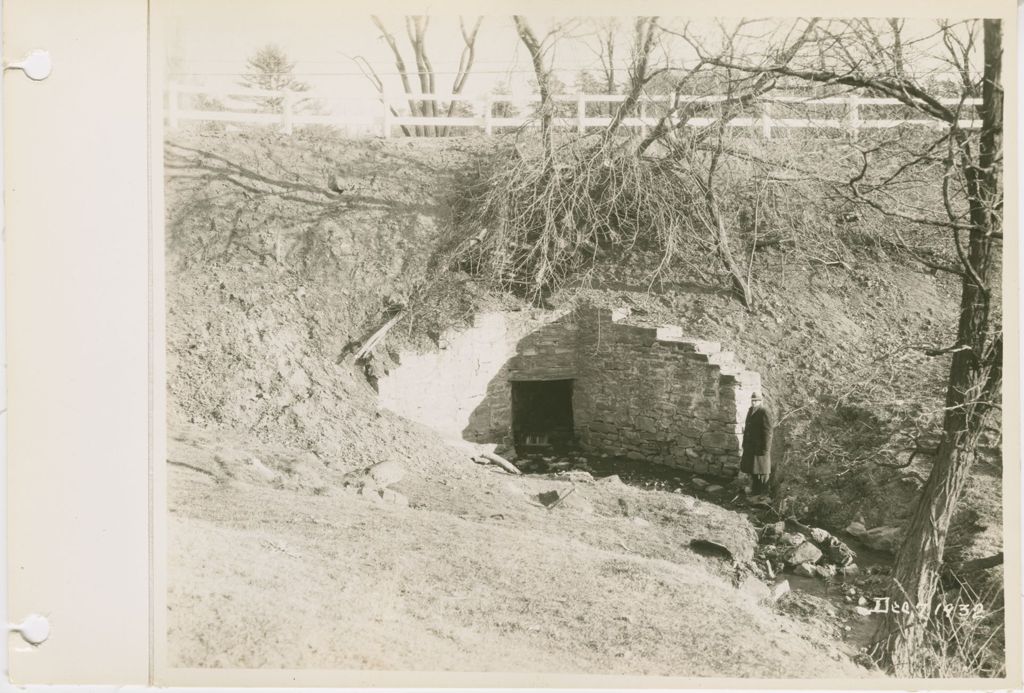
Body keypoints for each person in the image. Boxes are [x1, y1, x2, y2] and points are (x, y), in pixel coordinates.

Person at [740, 392, 773, 497]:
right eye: (753, 400)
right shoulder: (750, 411)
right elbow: (747, 428)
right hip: (751, 447)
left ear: (760, 401)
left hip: (760, 447)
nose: (754, 402)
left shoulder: (764, 412)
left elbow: (768, 432)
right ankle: (755, 491)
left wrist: (766, 449)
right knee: (753, 470)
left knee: (762, 471)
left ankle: (763, 493)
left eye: (756, 400)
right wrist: (744, 443)